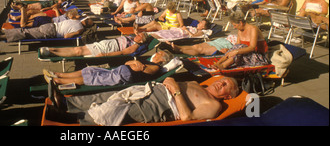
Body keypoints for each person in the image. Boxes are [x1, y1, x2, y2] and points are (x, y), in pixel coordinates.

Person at [46, 76, 239, 126]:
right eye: (221, 80)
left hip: (162, 106)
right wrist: (170, 81)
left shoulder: (214, 105)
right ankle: (66, 104)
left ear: (228, 96)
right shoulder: (198, 83)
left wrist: (177, 92)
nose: (219, 84)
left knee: (117, 109)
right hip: (155, 89)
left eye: (225, 86)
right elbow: (172, 83)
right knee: (111, 96)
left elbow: (187, 117)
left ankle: (71, 120)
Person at [43, 50, 174, 87]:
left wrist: (137, 64)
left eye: (159, 54)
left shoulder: (156, 67)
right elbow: (130, 62)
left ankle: (57, 81)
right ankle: (58, 74)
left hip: (123, 76)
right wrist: (135, 63)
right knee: (90, 70)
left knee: (92, 78)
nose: (156, 53)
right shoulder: (147, 61)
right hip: (120, 70)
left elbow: (141, 69)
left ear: (163, 60)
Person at [0, 17, 94, 50]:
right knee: (25, 34)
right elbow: (67, 36)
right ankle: (1, 37)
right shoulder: (80, 29)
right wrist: (77, 34)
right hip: (51, 32)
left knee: (25, 31)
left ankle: (2, 33)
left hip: (50, 25)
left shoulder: (74, 20)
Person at [39, 32, 153, 58]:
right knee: (78, 48)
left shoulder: (136, 46)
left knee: (79, 52)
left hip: (110, 48)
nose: (137, 35)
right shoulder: (132, 37)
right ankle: (52, 49)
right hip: (107, 43)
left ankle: (51, 53)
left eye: (140, 36)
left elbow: (123, 52)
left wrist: (105, 55)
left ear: (142, 41)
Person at [169, 35, 237, 56]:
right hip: (219, 41)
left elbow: (238, 49)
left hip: (225, 46)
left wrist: (228, 50)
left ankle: (180, 50)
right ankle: (178, 47)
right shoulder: (239, 33)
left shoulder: (246, 41)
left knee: (200, 50)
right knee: (196, 46)